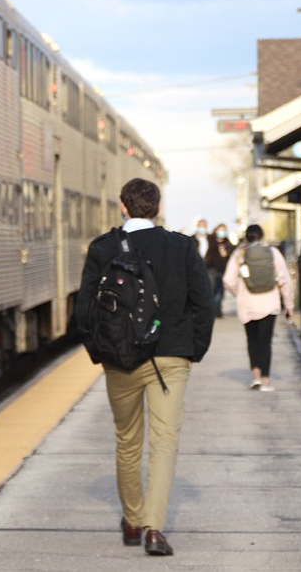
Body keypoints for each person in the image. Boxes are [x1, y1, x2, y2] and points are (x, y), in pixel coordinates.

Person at [76, 178, 214, 556]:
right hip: (171, 358)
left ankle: (133, 520)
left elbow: (84, 309)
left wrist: (100, 351)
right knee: (165, 442)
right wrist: (192, 351)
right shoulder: (182, 247)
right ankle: (155, 529)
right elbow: (204, 304)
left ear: (123, 206)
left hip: (120, 360)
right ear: (157, 207)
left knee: (127, 440)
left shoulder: (103, 248)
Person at [222, 224, 294, 392]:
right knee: (265, 342)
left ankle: (255, 377)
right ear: (262, 236)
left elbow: (227, 279)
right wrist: (289, 305)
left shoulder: (239, 254)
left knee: (252, 341)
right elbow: (285, 280)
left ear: (246, 237)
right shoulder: (273, 253)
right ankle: (266, 380)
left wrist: (239, 293)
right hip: (269, 303)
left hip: (247, 304)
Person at [204, 223, 234, 317]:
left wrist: (225, 252)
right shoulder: (211, 241)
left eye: (223, 230)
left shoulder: (227, 242)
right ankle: (212, 310)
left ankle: (217, 309)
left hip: (223, 268)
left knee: (220, 291)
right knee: (211, 290)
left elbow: (230, 253)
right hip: (211, 268)